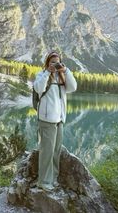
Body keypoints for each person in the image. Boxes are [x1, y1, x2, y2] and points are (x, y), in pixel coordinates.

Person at [33, 51, 77, 191]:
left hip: (59, 119)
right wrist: (47, 72)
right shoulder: (41, 75)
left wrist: (66, 71)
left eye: (57, 62)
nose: (55, 64)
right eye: (52, 62)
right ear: (47, 63)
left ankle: (54, 179)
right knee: (47, 151)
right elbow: (38, 88)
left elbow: (73, 87)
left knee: (56, 151)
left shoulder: (61, 77)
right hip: (46, 120)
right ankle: (44, 181)